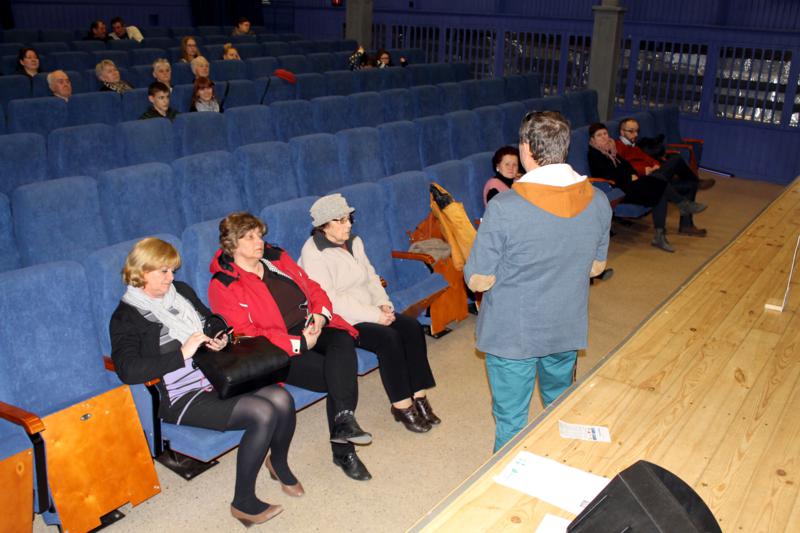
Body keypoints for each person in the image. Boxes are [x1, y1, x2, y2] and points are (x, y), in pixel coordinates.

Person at [110, 237, 300, 527]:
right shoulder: (126, 317)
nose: (171, 277)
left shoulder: (181, 292)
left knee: (282, 398)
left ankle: (278, 462)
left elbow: (211, 319)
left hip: (217, 376)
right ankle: (243, 502)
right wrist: (181, 353)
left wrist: (218, 335)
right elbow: (127, 369)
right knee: (263, 412)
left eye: (172, 270)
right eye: (164, 271)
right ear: (141, 271)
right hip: (182, 396)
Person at [464, 111, 612, 452]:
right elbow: (595, 268)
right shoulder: (598, 200)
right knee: (559, 407)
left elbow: (479, 279)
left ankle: (508, 481)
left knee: (512, 421)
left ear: (526, 149)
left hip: (513, 333)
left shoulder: (505, 207)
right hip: (565, 326)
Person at [208, 212, 374, 481]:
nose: (259, 242)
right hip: (277, 349)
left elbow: (313, 287)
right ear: (231, 244)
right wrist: (298, 343)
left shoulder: (276, 258)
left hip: (309, 325)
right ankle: (344, 442)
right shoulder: (224, 284)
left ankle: (343, 428)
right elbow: (246, 334)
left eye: (259, 235)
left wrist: (320, 316)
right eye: (249, 238)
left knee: (342, 341)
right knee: (335, 375)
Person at [299, 194, 440, 434]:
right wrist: (375, 316)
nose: (348, 225)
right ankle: (402, 405)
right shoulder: (313, 252)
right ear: (323, 226)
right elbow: (330, 300)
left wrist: (383, 304)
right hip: (341, 319)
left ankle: (419, 396)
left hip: (369, 308)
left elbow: (371, 277)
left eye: (349, 218)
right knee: (389, 338)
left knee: (412, 328)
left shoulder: (354, 242)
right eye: (341, 220)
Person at [589, 123, 706, 252]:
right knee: (659, 183)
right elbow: (607, 175)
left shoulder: (612, 150)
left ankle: (661, 235)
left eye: (605, 133)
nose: (604, 137)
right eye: (599, 135)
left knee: (659, 189)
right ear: (593, 139)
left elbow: (627, 166)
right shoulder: (594, 155)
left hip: (630, 184)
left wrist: (632, 174)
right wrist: (629, 177)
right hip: (618, 190)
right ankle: (682, 205)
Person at [617, 117, 711, 236]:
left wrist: (655, 165)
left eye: (637, 131)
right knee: (676, 159)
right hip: (642, 182)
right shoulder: (617, 146)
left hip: (654, 176)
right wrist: (644, 171)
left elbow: (649, 159)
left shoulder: (635, 147)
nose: (635, 134)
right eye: (631, 131)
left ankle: (686, 225)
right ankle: (697, 183)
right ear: (622, 132)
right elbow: (621, 166)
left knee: (689, 185)